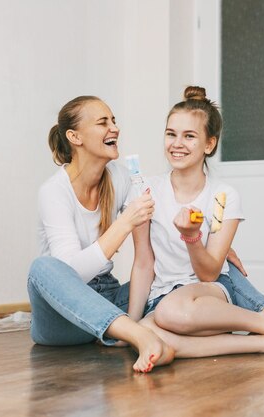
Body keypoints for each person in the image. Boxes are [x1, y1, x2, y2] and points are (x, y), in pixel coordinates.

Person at [128, 86, 264, 357]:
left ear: (209, 144)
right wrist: (131, 324)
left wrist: (192, 236)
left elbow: (209, 272)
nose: (177, 144)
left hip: (210, 293)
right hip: (164, 297)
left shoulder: (223, 197)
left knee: (171, 313)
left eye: (189, 136)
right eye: (171, 134)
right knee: (150, 334)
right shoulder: (146, 192)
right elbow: (143, 262)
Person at [27, 95, 175, 373]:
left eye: (114, 121)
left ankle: (259, 321)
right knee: (42, 268)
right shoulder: (54, 191)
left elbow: (157, 232)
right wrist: (124, 223)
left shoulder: (119, 177)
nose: (115, 128)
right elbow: (72, 273)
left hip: (108, 298)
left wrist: (202, 238)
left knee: (176, 277)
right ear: (75, 136)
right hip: (61, 318)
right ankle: (139, 334)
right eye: (103, 122)